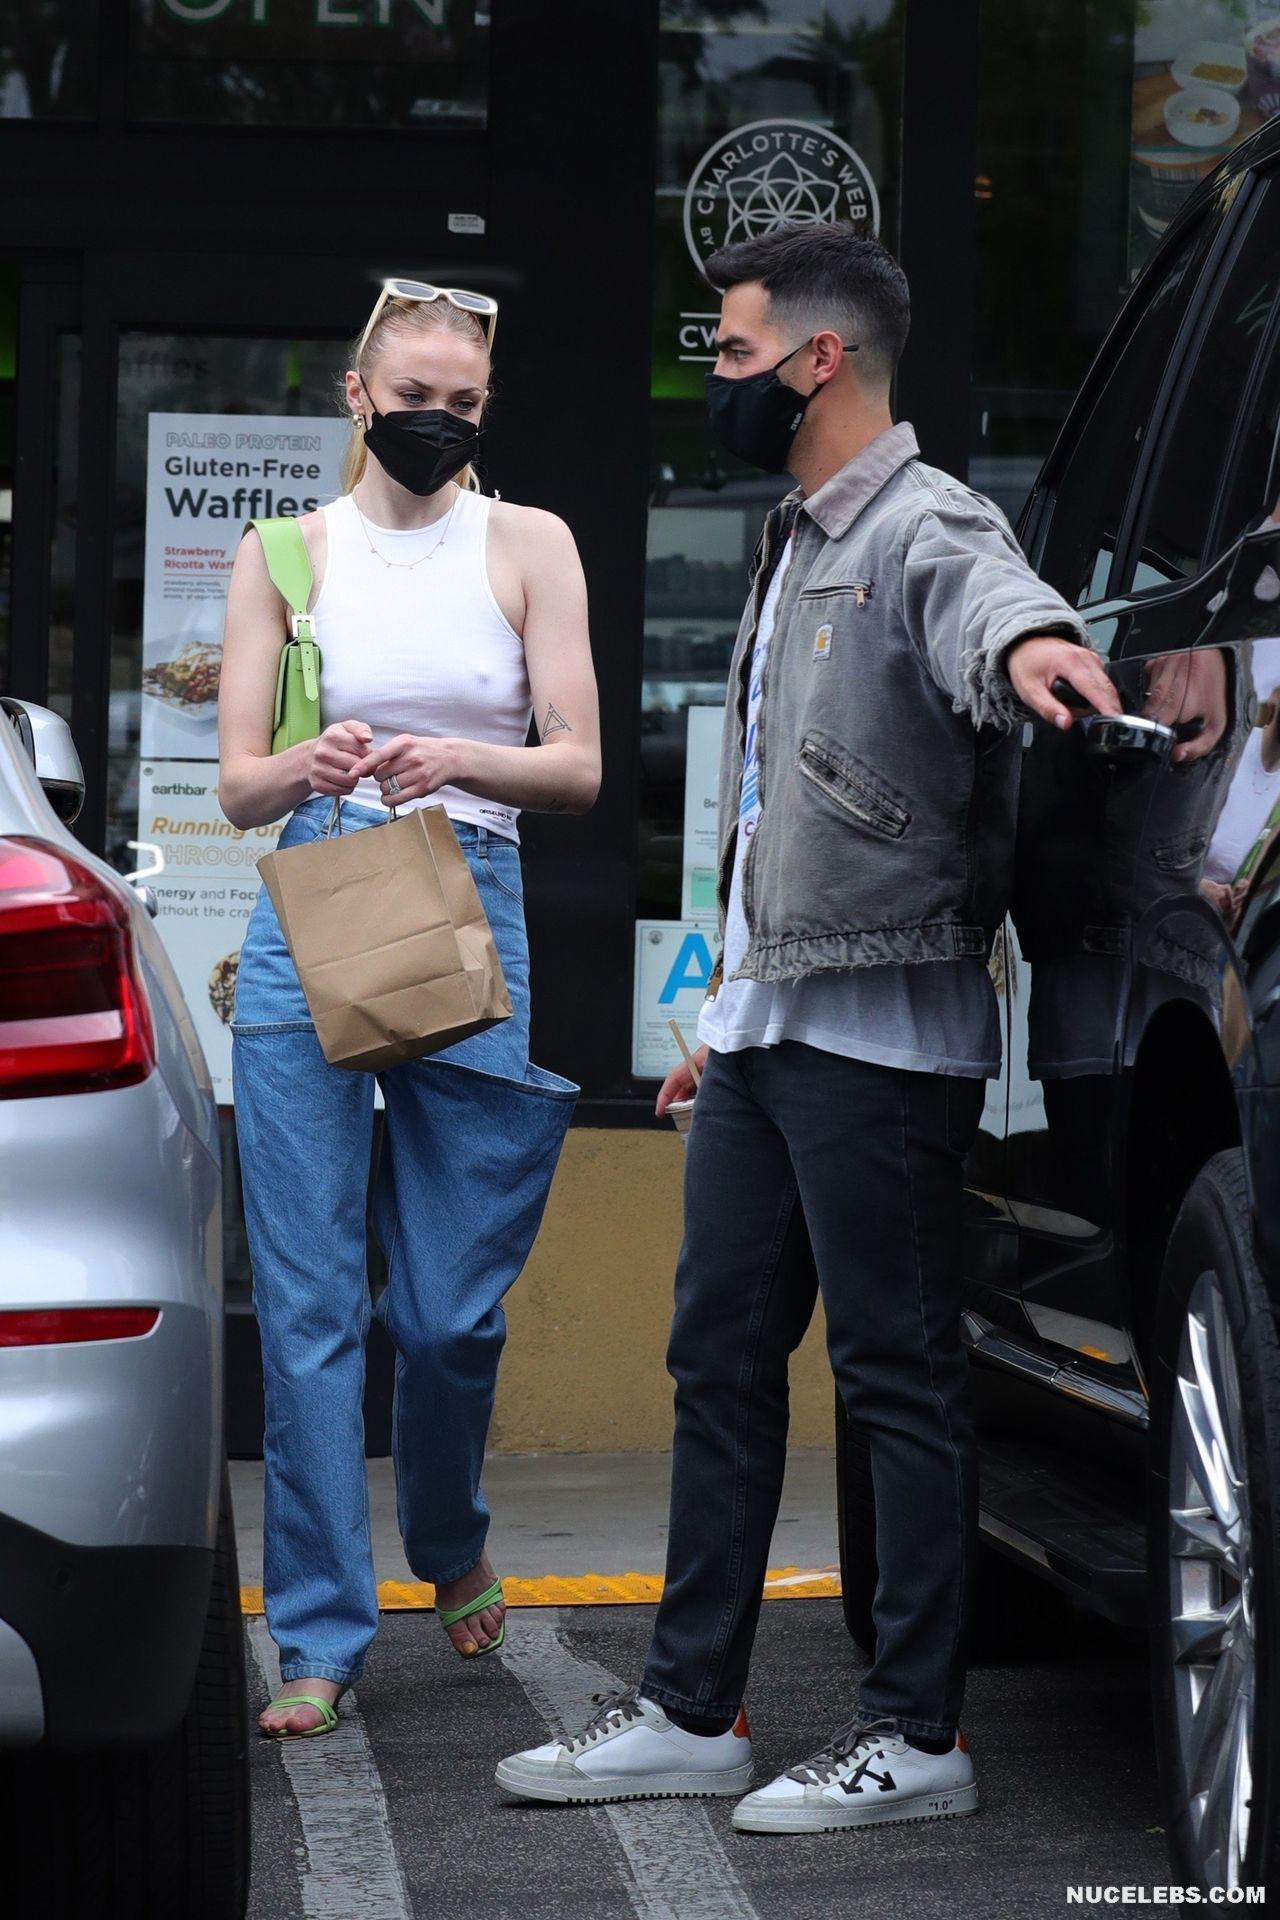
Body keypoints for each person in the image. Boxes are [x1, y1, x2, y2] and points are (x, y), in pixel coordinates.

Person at [495, 222, 1118, 1831]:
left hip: (885, 1036)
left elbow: (997, 606)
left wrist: (1042, 647)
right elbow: (777, 806)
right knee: (718, 1359)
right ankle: (692, 1708)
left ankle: (916, 1737)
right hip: (772, 1028)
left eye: (731, 349)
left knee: (896, 1374)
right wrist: (723, 1008)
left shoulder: (927, 522)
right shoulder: (791, 537)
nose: (717, 376)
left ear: (818, 359)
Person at [219, 280, 600, 1739]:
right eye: (414, 397)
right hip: (315, 898)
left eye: (464, 403)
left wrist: (458, 756)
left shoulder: (529, 543)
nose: (437, 420)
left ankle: (446, 1533)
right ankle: (318, 1634)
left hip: (465, 892)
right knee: (307, 1303)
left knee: (446, 1312)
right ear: (358, 396)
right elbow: (238, 781)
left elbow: (576, 764)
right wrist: (308, 766)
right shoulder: (284, 554)